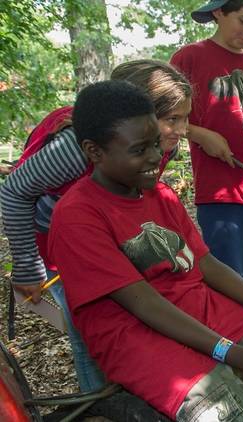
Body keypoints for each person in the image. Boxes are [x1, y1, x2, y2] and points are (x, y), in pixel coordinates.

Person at [48, 80, 243, 421]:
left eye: (156, 144)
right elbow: (145, 305)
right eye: (139, 150)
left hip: (196, 309)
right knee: (228, 411)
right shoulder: (77, 216)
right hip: (136, 338)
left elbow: (206, 264)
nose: (156, 157)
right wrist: (240, 356)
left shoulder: (160, 195)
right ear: (94, 151)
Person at [0, 59, 192, 393]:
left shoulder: (160, 145)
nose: (181, 130)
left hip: (113, 236)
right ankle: (103, 404)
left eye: (185, 119)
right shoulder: (75, 151)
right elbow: (14, 192)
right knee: (90, 333)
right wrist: (29, 269)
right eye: (171, 119)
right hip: (61, 246)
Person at [170, 0, 243, 289]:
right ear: (219, 12)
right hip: (220, 193)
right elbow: (163, 116)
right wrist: (200, 134)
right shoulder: (189, 58)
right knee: (230, 279)